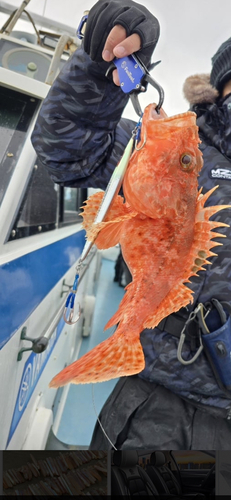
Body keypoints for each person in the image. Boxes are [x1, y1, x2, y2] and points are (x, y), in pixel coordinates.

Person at [31, 0, 231, 449]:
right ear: (222, 87)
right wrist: (98, 72)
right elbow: (64, 147)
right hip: (162, 406)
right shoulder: (176, 152)